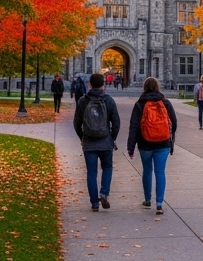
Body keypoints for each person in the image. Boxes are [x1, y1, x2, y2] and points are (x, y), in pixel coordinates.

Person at [127, 77, 177, 215]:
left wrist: (131, 146)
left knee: (147, 170)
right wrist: (170, 140)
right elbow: (173, 122)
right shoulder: (165, 102)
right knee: (160, 172)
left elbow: (134, 126)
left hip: (145, 143)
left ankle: (147, 200)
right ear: (157, 87)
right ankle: (159, 204)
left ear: (144, 87)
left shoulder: (140, 103)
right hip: (163, 143)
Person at [74, 73, 120, 212]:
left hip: (89, 142)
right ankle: (104, 193)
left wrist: (82, 137)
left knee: (91, 172)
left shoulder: (83, 101)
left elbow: (76, 123)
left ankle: (94, 203)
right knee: (107, 168)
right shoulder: (109, 100)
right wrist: (112, 138)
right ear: (103, 85)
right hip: (105, 141)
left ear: (89, 84)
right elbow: (116, 122)